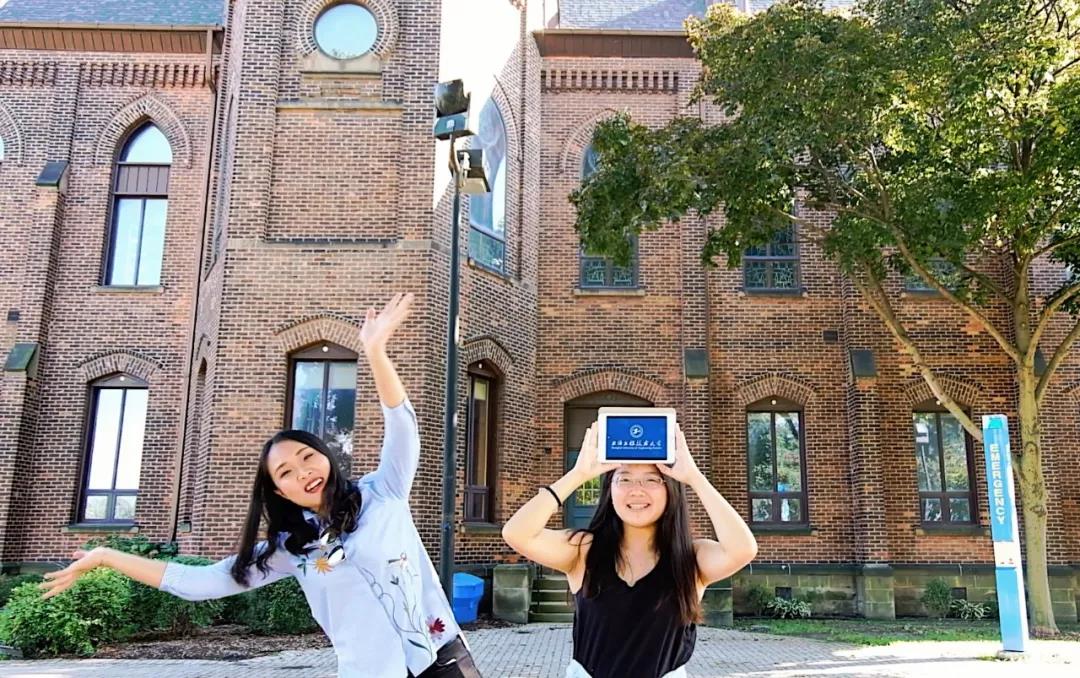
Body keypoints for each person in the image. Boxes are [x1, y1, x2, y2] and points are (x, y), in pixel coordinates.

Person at [40, 293, 481, 678]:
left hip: (440, 658)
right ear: (280, 492)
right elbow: (199, 583)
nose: (303, 472)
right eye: (285, 472)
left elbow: (402, 426)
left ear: (327, 458)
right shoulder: (290, 550)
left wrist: (375, 352)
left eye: (307, 457)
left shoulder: (381, 493)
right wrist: (107, 556)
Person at [502, 421, 757, 678]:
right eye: (624, 479)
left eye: (651, 479)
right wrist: (577, 475)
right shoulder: (583, 550)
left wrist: (695, 478)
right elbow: (517, 533)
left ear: (670, 491)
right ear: (609, 490)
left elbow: (743, 550)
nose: (636, 490)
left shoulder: (690, 558)